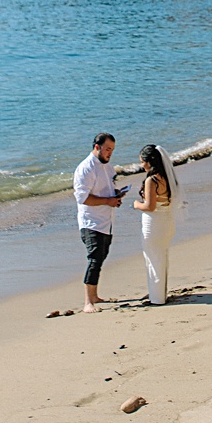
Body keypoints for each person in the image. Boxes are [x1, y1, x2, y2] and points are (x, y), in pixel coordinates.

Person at [72, 133, 129, 313]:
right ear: (97, 147)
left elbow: (108, 189)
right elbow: (82, 198)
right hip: (90, 221)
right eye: (107, 149)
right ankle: (88, 302)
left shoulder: (108, 167)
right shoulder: (85, 168)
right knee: (95, 258)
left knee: (102, 256)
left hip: (107, 220)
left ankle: (95, 295)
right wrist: (107, 201)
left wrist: (116, 195)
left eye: (112, 150)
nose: (110, 153)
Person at [133, 144, 181, 306]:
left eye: (142, 162)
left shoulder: (151, 180)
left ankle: (157, 298)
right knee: (161, 257)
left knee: (153, 259)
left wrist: (136, 204)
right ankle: (160, 293)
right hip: (167, 222)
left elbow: (150, 206)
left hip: (154, 225)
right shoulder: (168, 177)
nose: (141, 165)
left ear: (149, 162)